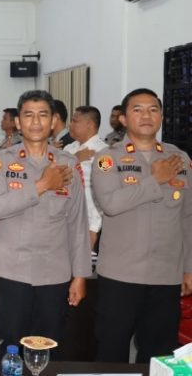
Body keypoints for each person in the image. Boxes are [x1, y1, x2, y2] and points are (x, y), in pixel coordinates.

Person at [0, 90, 91, 360]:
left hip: (54, 272)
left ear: (53, 121)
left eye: (42, 115)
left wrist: (80, 275)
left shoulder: (68, 164)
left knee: (49, 344)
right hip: (14, 270)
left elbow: (78, 223)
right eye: (28, 115)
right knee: (12, 342)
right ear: (18, 122)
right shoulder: (1, 163)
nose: (35, 122)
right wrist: (41, 185)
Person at [92, 88, 192, 363]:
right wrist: (155, 180)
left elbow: (187, 217)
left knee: (159, 356)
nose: (146, 115)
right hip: (120, 276)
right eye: (137, 109)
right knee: (111, 352)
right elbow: (111, 204)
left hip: (166, 276)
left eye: (153, 109)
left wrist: (189, 268)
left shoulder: (180, 159)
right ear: (123, 119)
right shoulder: (107, 159)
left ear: (161, 116)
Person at [64, 106, 108, 249]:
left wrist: (94, 227)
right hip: (66, 218)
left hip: (89, 223)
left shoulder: (104, 152)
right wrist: (75, 159)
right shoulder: (69, 149)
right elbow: (57, 177)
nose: (70, 125)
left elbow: (103, 192)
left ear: (89, 124)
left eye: (75, 121)